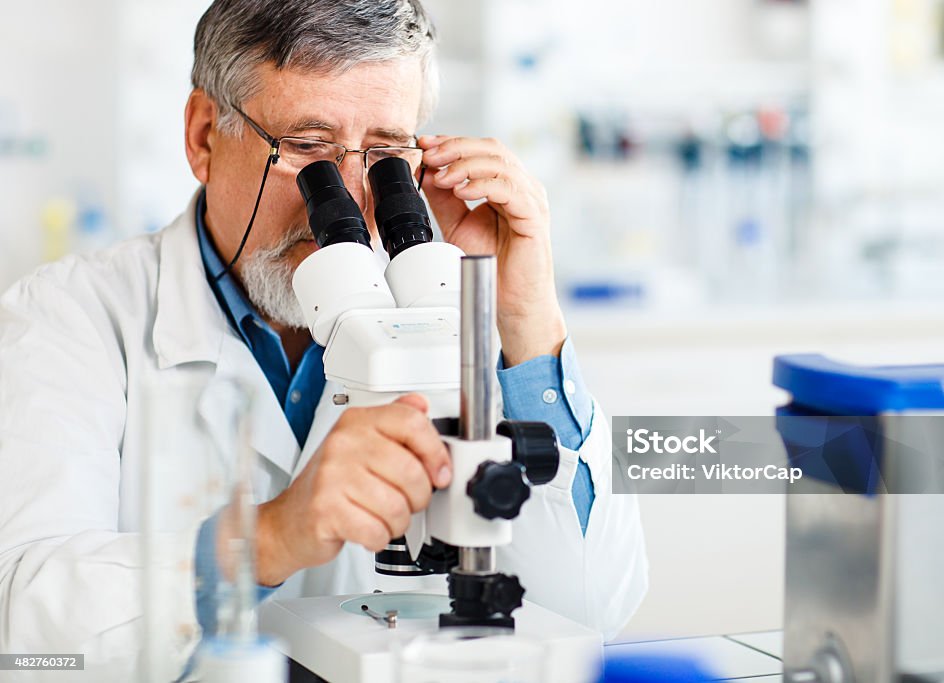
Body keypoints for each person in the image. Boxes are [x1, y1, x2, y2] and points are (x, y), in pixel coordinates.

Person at [0, 0, 647, 677]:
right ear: (203, 137)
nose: (344, 195)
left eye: (387, 156)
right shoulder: (69, 318)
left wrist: (528, 325)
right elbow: (26, 628)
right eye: (308, 150)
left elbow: (594, 608)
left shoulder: (447, 309)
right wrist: (269, 536)